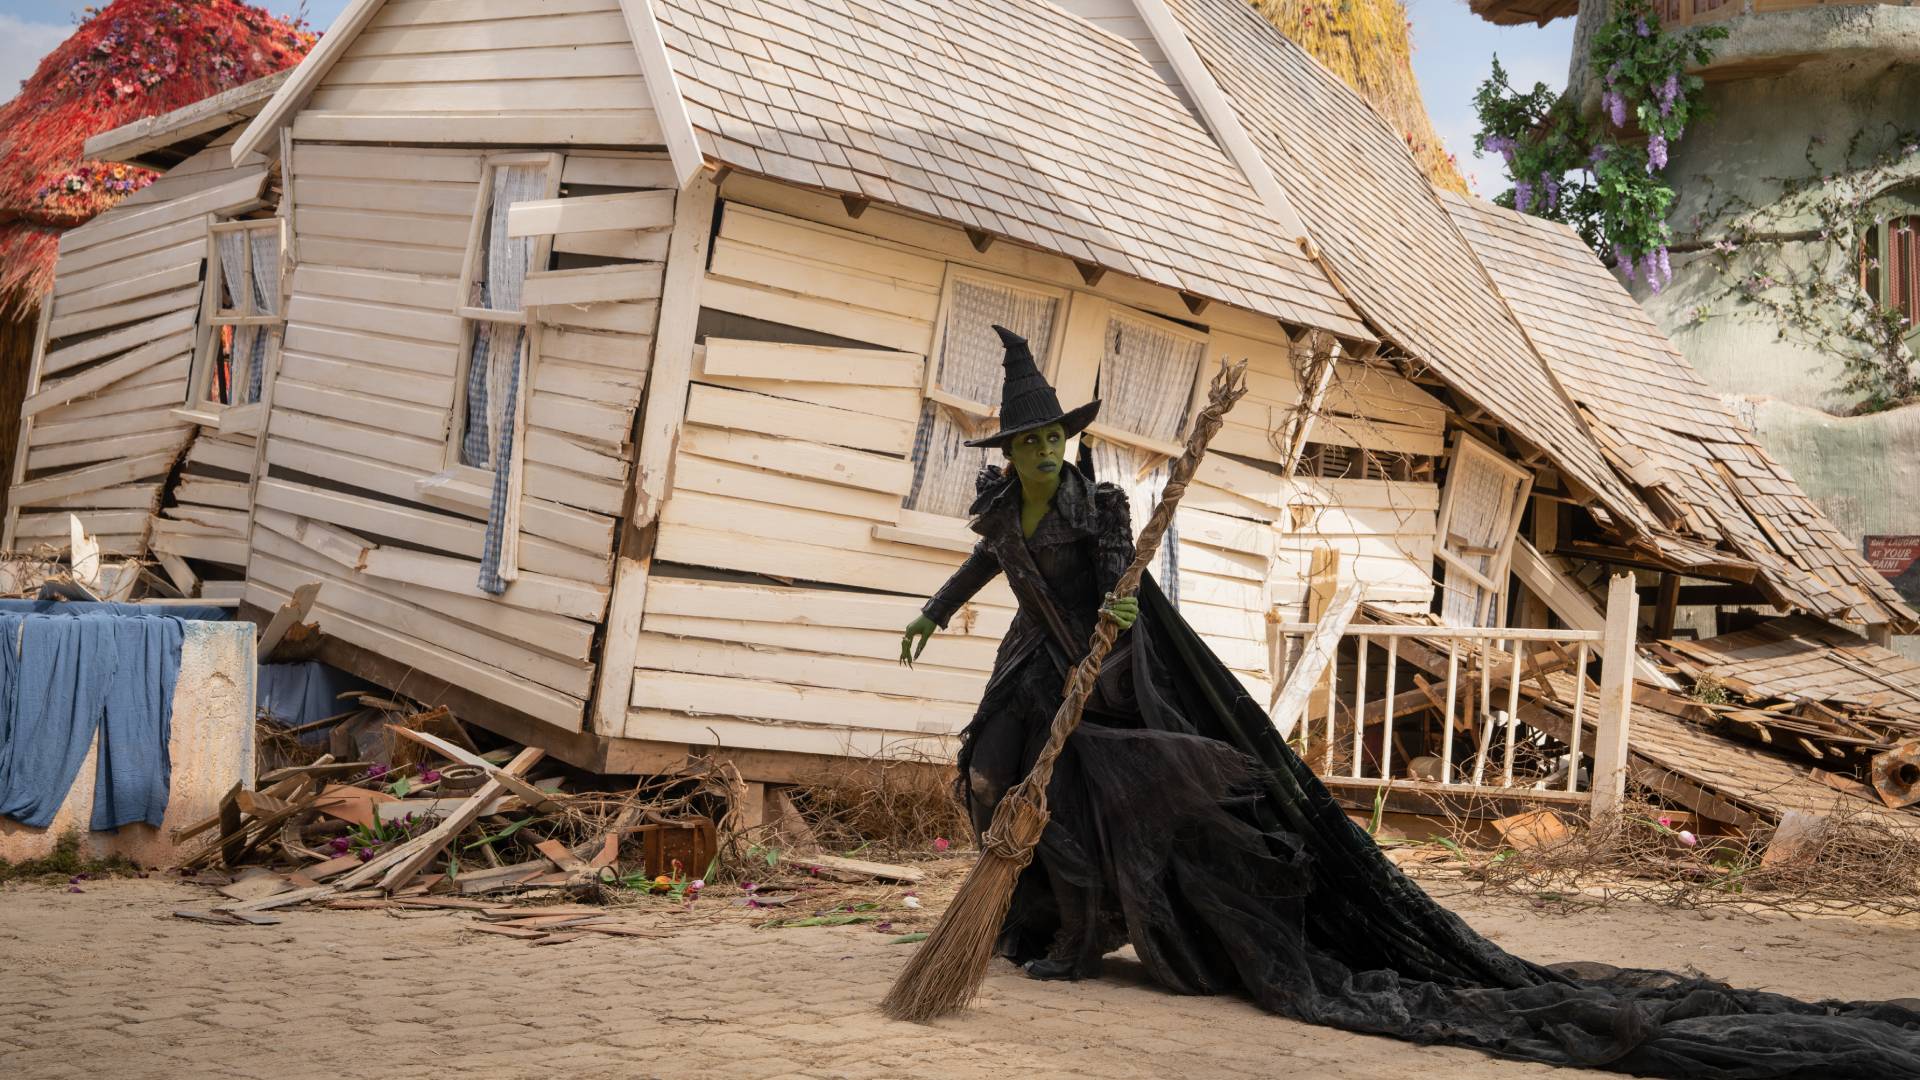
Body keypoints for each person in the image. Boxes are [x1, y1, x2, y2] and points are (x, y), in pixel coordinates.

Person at [896, 325, 1920, 1078]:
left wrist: (1118, 619)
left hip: (1112, 668)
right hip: (1037, 661)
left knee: (1088, 801)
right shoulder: (1001, 506)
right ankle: (1022, 919)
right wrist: (934, 615)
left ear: (1063, 446)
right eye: (1023, 445)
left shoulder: (1098, 502)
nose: (1036, 455)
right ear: (1008, 451)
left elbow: (1122, 575)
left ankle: (1076, 936)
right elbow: (985, 572)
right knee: (994, 770)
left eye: (1047, 444)